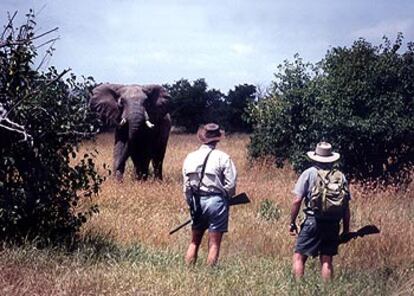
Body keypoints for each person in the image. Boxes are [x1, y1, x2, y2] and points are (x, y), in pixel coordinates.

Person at [289, 142, 351, 281]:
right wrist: (346, 230)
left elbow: (297, 200)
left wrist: (292, 222)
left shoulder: (309, 173)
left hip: (313, 221)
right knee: (326, 259)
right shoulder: (340, 176)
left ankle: (298, 289)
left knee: (299, 256)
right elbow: (346, 208)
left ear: (315, 157)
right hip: (333, 223)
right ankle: (327, 292)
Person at [182, 123, 237, 266]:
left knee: (194, 241)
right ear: (218, 139)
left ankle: (188, 270)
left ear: (202, 138)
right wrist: (225, 197)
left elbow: (186, 186)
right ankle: (210, 273)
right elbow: (231, 185)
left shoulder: (190, 157)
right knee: (214, 243)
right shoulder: (223, 157)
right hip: (216, 201)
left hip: (196, 201)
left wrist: (191, 203)